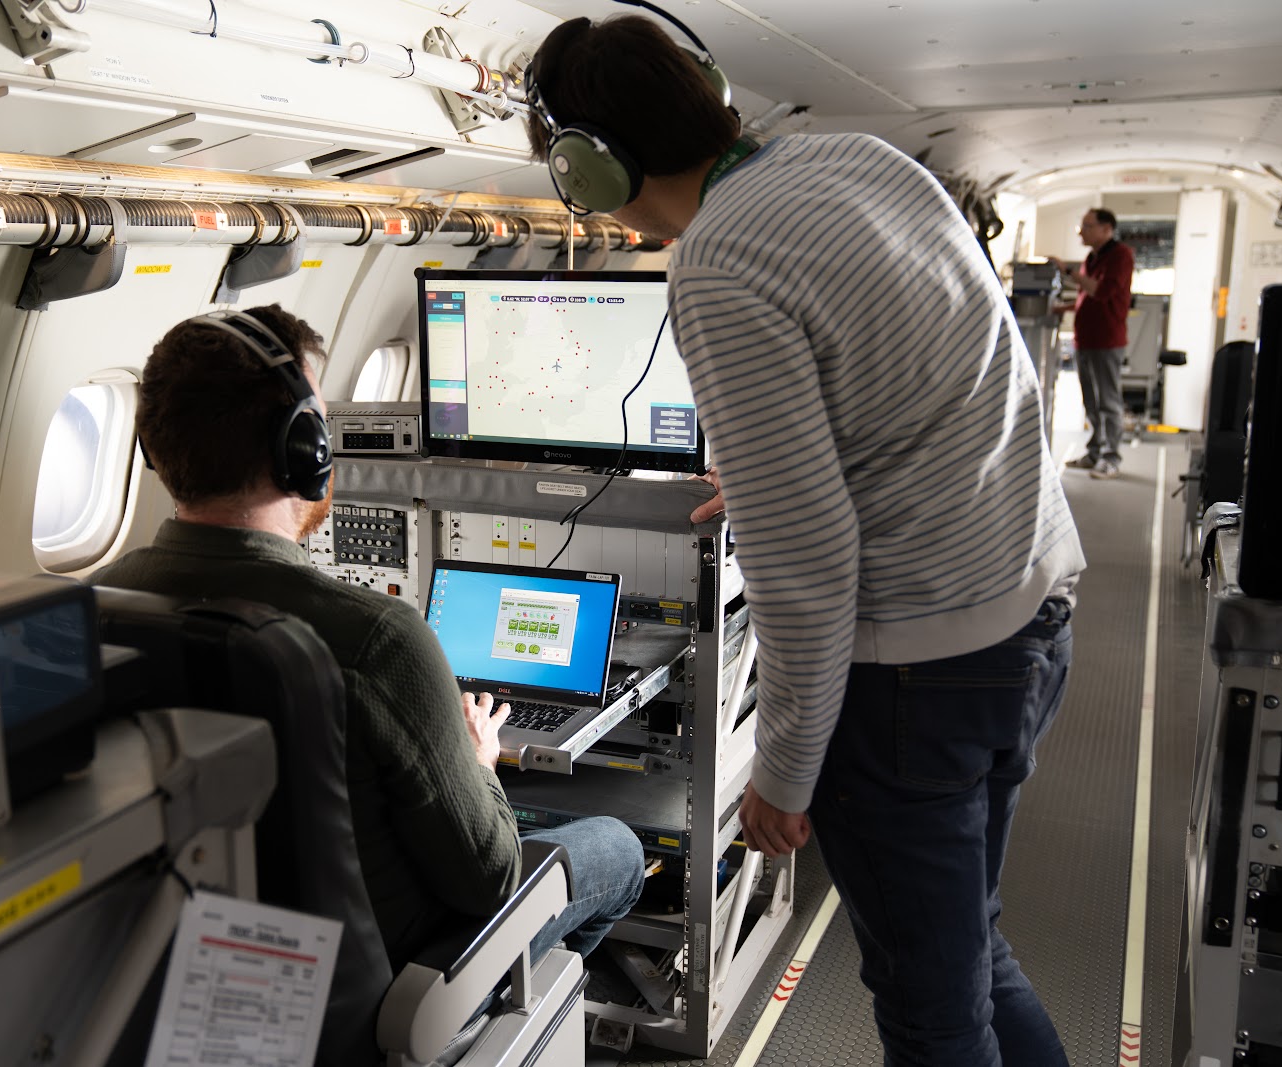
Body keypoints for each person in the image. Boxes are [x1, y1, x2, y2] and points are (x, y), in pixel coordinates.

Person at [525, 15, 1085, 1067]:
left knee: (930, 1007)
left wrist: (782, 770)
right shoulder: (866, 162)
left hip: (918, 671)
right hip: (1031, 608)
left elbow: (806, 565)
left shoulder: (716, 265)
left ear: (589, 168)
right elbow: (948, 369)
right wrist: (781, 468)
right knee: (967, 952)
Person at [90, 304, 644, 974]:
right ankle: (503, 1011)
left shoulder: (90, 606)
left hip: (185, 959)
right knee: (615, 846)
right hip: (389, 982)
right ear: (304, 452)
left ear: (156, 449)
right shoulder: (378, 640)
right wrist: (478, 762)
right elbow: (489, 877)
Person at [1051, 208, 1136, 480]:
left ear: (1106, 229)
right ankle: (1095, 451)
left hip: (1106, 340)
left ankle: (1111, 457)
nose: (1082, 232)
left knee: (1108, 401)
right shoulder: (1092, 257)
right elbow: (1084, 299)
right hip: (1085, 340)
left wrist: (1068, 271)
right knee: (1091, 401)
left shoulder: (1120, 256)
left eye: (1087, 226)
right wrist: (1063, 307)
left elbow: (1102, 291)